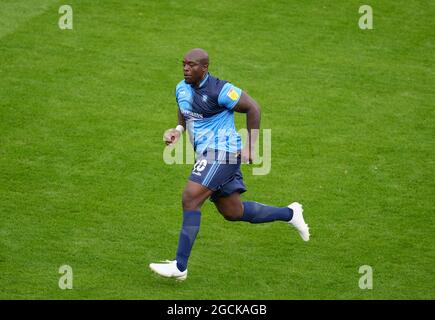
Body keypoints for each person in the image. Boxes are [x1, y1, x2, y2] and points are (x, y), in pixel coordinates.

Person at [149, 48, 309, 281]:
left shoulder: (221, 90)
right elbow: (184, 111)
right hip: (206, 154)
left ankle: (180, 267)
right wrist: (178, 130)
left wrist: (251, 146)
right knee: (233, 211)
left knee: (190, 197)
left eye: (192, 65)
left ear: (204, 68)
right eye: (183, 63)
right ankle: (291, 213)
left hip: (224, 152)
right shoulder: (181, 88)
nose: (186, 68)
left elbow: (253, 107)